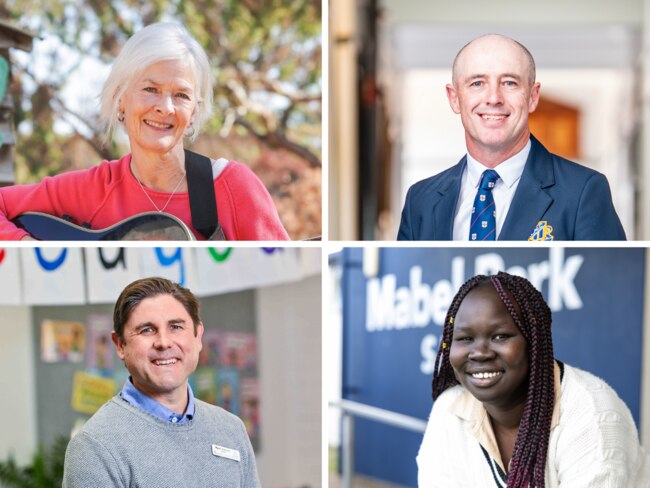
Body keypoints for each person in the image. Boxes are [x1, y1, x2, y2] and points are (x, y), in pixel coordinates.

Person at [0, 22, 289, 241]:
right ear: (120, 99)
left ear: (194, 113)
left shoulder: (232, 187)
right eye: (150, 89)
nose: (165, 107)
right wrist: (26, 247)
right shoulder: (92, 189)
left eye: (181, 95)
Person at [417, 272, 649, 487]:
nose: (480, 353)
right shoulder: (448, 410)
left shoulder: (594, 417)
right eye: (465, 338)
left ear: (534, 342)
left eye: (500, 336)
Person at [398, 34, 626, 241]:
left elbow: (608, 284)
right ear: (454, 98)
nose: (494, 98)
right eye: (477, 83)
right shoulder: (420, 200)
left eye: (509, 83)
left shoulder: (583, 191)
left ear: (533, 97)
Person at [63, 277, 261, 487]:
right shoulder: (95, 446)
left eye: (175, 327)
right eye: (147, 330)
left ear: (198, 336)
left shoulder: (231, 430)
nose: (164, 342)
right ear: (120, 345)